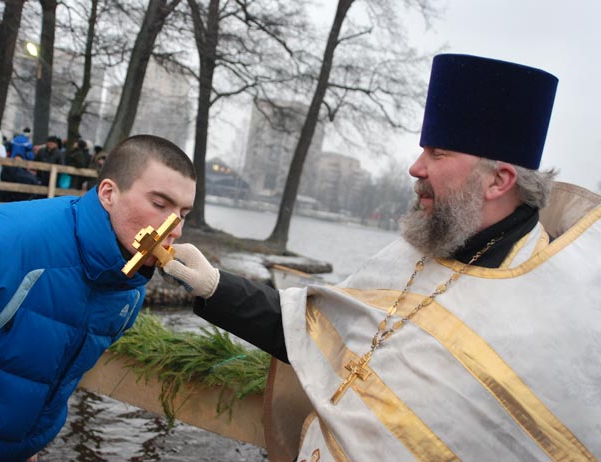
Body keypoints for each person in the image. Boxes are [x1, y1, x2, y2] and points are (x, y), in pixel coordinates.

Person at [162, 54, 601, 460]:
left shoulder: (557, 315)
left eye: (438, 152)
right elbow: (312, 330)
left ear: (498, 181)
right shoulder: (421, 247)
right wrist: (214, 286)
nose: (416, 167)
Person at [0, 134, 196, 462]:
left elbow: (47, 372)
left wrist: (26, 443)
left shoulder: (127, 287)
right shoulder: (2, 241)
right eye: (160, 205)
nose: (173, 228)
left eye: (183, 213)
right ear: (108, 194)